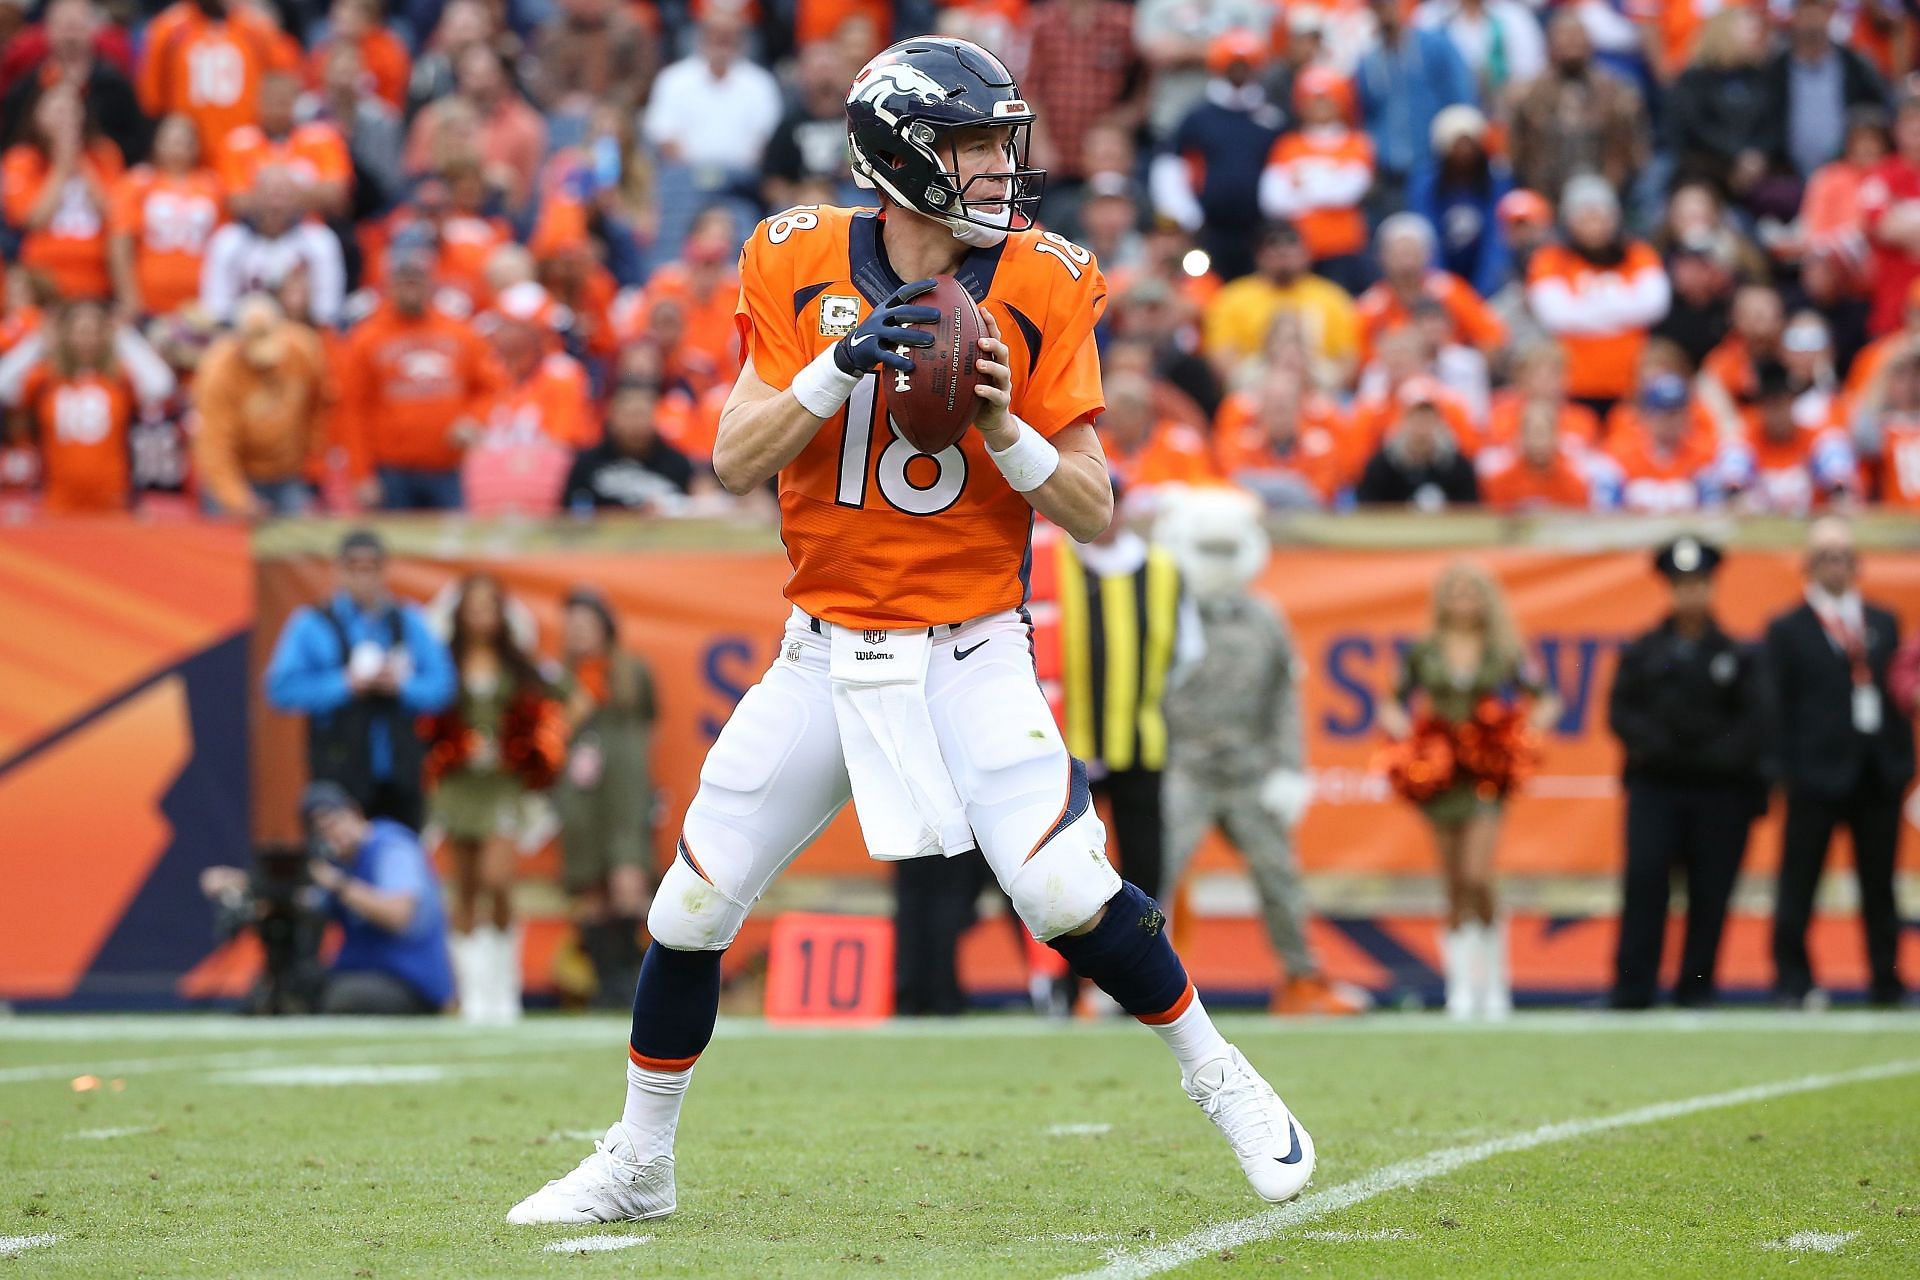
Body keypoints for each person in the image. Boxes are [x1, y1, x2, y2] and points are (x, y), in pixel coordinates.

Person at [507, 35, 1317, 1228]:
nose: (999, 166)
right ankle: (638, 1161)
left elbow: (1094, 510)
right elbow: (734, 457)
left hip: (971, 642)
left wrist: (1001, 423)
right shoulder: (792, 257)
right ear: (901, 154)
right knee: (690, 904)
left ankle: (1227, 1076)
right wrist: (836, 368)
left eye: (1002, 141)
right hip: (824, 644)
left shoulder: (1043, 280)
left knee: (1058, 887)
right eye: (975, 143)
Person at [1159, 488, 1361, 1016]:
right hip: (1183, 765)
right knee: (1153, 874)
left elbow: (1284, 699)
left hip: (1249, 768)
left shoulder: (1266, 617)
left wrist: (1291, 769)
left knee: (1279, 876)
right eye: (1210, 550)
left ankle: (1302, 980)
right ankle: (1124, 984)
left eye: (1229, 551)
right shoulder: (1166, 610)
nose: (1220, 564)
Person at [1378, 561, 1560, 1018]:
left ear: (1486, 600)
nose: (1463, 601)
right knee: (1454, 880)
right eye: (1455, 592)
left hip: (1484, 773)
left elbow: (1545, 697)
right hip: (1438, 775)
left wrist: (1523, 734)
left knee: (1479, 874)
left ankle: (1496, 980)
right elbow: (1392, 702)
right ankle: (1461, 986)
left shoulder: (1506, 650)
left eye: (1472, 592)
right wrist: (1407, 737)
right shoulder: (1423, 650)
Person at [1607, 537, 1768, 1010]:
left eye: (1698, 584)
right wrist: (1660, 746)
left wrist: (1714, 755)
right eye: (1682, 585)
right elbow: (1621, 713)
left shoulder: (1737, 654)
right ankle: (1634, 988)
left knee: (1710, 890)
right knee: (1646, 882)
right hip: (1657, 787)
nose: (1690, 594)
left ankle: (1696, 986)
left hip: (1719, 792)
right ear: (1669, 590)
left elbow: (1755, 721)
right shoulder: (1642, 651)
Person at [1765, 518, 1914, 1009]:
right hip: (1815, 773)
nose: (1836, 565)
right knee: (1800, 881)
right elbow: (1777, 706)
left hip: (1875, 772)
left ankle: (1886, 982)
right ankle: (1794, 981)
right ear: (1809, 565)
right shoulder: (1787, 628)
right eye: (1826, 555)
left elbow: (1896, 694)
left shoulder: (1882, 622)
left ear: (1857, 564)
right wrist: (1787, 770)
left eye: (1844, 556)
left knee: (1879, 886)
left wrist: (1900, 764)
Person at [420, 573, 563, 1025]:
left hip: (503, 786)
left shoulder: (519, 664)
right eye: (473, 606)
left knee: (498, 878)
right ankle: (475, 996)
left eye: (489, 606)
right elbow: (424, 713)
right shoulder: (443, 660)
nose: (481, 615)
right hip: (459, 784)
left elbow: (565, 700)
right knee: (463, 889)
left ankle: (505, 988)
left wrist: (535, 748)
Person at [202, 781, 453, 1014]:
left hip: (409, 980)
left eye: (334, 822)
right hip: (368, 974)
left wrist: (338, 885)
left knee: (338, 997)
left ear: (355, 812)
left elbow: (400, 915)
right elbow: (300, 896)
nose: (332, 834)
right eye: (321, 830)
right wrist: (238, 882)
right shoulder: (341, 865)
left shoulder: (391, 848)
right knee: (300, 985)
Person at [264, 530, 454, 830]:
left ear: (384, 569)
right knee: (337, 867)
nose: (363, 576)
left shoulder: (409, 620)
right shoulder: (311, 623)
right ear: (339, 569)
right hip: (338, 772)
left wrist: (400, 686)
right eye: (354, 566)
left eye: (371, 567)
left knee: (397, 865)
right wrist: (345, 684)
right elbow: (280, 689)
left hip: (398, 773)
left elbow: (442, 687)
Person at [552, 588, 657, 1010]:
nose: (578, 633)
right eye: (572, 625)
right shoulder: (558, 679)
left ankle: (638, 978)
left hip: (626, 791)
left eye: (586, 624)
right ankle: (606, 984)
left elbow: (651, 725)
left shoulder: (632, 672)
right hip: (580, 797)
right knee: (591, 888)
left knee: (628, 882)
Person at [337, 240, 500, 511]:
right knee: (395, 550)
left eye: (417, 280)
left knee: (450, 550)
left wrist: (474, 420)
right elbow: (352, 411)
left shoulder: (460, 333)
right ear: (388, 285)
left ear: (432, 283)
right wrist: (361, 474)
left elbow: (489, 387)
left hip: (446, 469)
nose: (411, 288)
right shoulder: (366, 338)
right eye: (404, 280)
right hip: (390, 471)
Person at [1525, 176, 1671, 421]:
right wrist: (1622, 307)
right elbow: (1556, 316)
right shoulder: (1550, 258)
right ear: (1569, 221)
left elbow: (1655, 305)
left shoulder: (1638, 253)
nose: (1594, 225)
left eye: (1600, 215)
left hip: (1631, 386)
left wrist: (1588, 308)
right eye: (1585, 216)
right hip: (1573, 386)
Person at [1149, 30, 1285, 283]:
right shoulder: (1199, 117)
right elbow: (1169, 165)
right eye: (1233, 65)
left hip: (1259, 228)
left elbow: (1284, 165)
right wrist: (1188, 216)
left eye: (1245, 65)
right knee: (1208, 285)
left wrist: (1276, 211)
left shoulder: (1270, 118)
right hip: (1210, 229)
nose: (1239, 71)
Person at [190, 292, 331, 518]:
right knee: (227, 547)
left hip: (288, 473)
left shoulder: (304, 349)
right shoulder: (218, 374)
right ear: (238, 341)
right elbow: (215, 449)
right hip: (240, 473)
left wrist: (314, 461)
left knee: (294, 546)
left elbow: (321, 407)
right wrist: (239, 501)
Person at [1507, 11, 1649, 206]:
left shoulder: (1617, 92)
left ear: (1590, 43)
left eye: (1577, 36)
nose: (1571, 43)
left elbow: (1635, 152)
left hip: (1606, 202)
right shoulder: (1527, 96)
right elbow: (1515, 154)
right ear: (1549, 44)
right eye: (1564, 36)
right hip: (1544, 198)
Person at [107, 114, 224, 321]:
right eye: (170, 139)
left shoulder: (213, 185)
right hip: (150, 299)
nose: (177, 147)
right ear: (156, 142)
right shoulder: (138, 182)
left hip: (202, 303)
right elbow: (120, 241)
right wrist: (129, 297)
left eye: (184, 140)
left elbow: (225, 245)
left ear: (197, 145)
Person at [1765, 0, 1890, 183]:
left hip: (1849, 174)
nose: (1812, 20)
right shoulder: (1774, 69)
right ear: (1794, 16)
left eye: (1818, 11)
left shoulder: (1855, 65)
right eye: (1805, 12)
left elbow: (1882, 109)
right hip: (1786, 174)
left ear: (1830, 14)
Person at [563, 378, 700, 511]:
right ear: (612, 418)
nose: (635, 424)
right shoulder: (587, 463)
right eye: (628, 415)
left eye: (642, 415)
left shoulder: (677, 464)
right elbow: (568, 513)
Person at [1355, 379, 1480, 508]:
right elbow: (1367, 511)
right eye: (1415, 418)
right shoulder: (1382, 466)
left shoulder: (1458, 467)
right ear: (1402, 420)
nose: (1421, 427)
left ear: (1439, 421)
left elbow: (1470, 511)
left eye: (1428, 418)